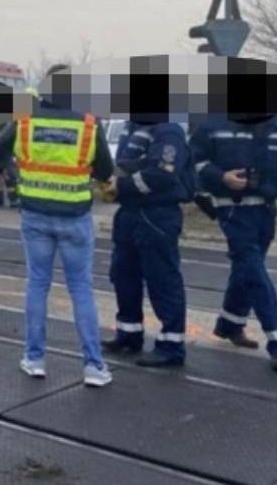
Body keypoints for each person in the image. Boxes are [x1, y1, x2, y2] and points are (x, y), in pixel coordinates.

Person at [0, 64, 115, 387]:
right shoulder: (88, 124)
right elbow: (105, 170)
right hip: (75, 218)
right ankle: (94, 366)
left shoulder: (26, 120)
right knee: (81, 288)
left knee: (37, 284)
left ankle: (35, 358)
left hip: (36, 216)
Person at [192, 112, 277, 372]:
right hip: (233, 209)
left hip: (266, 211)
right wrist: (221, 177)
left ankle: (229, 324)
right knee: (254, 271)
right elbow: (195, 160)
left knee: (246, 270)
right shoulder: (214, 123)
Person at [103, 118, 193, 367]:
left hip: (156, 216)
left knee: (162, 280)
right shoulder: (132, 128)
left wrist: (123, 184)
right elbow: (124, 165)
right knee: (123, 275)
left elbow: (162, 174)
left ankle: (171, 347)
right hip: (131, 215)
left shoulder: (168, 131)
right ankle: (128, 335)